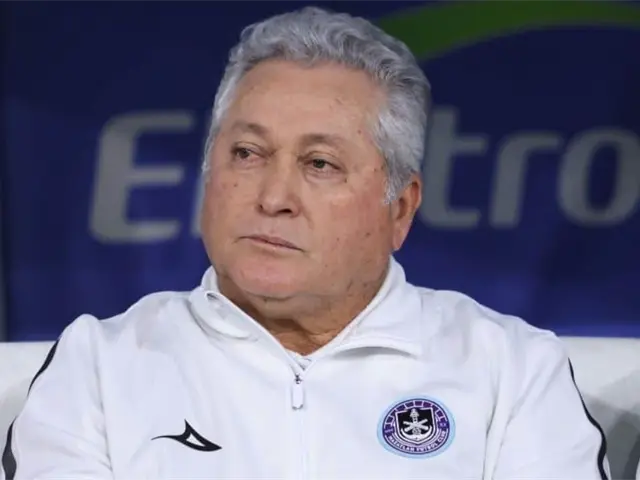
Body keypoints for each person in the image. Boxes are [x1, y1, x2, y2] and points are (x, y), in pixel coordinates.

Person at [1, 6, 609, 480]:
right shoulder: (99, 368)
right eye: (247, 153)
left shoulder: (511, 372)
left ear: (399, 209)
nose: (273, 197)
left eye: (320, 164)